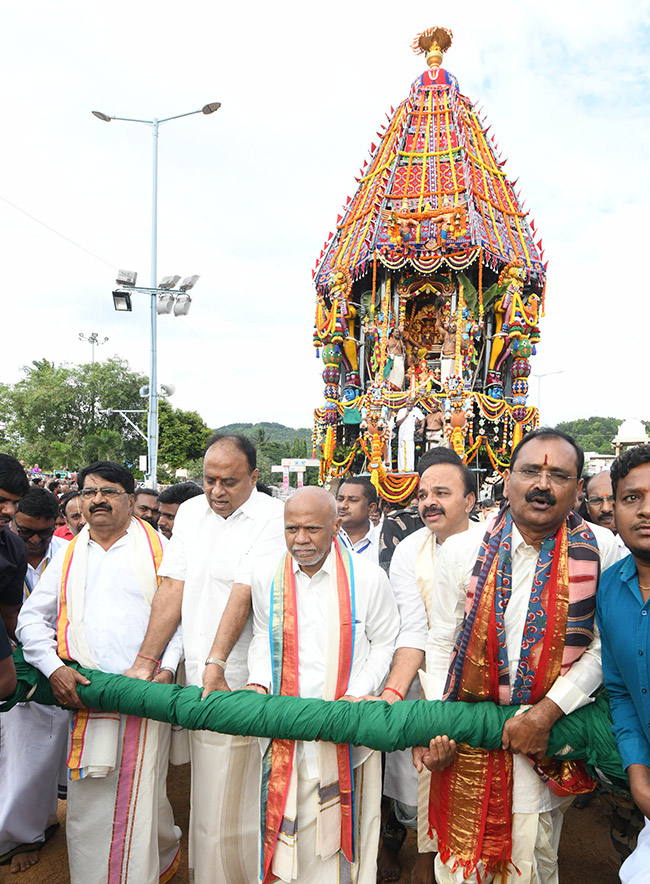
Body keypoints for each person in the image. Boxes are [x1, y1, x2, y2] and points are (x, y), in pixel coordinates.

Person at [417, 428, 619, 884]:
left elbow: (605, 649)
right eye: (530, 470)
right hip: (466, 732)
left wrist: (546, 713)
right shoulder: (462, 550)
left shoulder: (602, 551)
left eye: (559, 475)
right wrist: (438, 721)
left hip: (546, 744)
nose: (542, 485)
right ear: (507, 480)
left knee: (533, 857)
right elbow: (442, 640)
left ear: (578, 488)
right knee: (461, 869)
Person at [125, 433, 285, 884]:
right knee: (209, 797)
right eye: (210, 479)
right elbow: (173, 587)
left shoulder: (273, 518)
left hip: (243, 679)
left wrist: (216, 665)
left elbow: (244, 590)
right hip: (200, 675)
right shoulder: (193, 512)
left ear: (255, 477)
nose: (217, 491)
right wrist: (147, 660)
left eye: (229, 482)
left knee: (238, 800)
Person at [16, 461, 182, 884]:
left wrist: (165, 668)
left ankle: (145, 867)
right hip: (87, 695)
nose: (98, 500)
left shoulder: (163, 551)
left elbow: (184, 619)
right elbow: (30, 622)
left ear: (130, 499)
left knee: (140, 797)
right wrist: (54, 668)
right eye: (89, 493)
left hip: (144, 695)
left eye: (108, 491)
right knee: (92, 802)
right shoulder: (71, 552)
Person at [247, 486, 399, 883]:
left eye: (312, 529)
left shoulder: (367, 578)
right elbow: (263, 637)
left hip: (347, 732)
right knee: (286, 832)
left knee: (345, 848)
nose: (300, 540)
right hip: (286, 731)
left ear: (335, 525)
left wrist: (357, 694)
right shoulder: (268, 577)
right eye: (291, 528)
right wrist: (259, 683)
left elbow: (385, 642)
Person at [378, 449, 479, 884]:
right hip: (423, 679)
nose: (428, 502)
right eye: (423, 495)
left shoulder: (492, 543)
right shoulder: (409, 550)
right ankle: (424, 856)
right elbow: (414, 630)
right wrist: (394, 696)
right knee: (417, 774)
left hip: (481, 684)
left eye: (442, 492)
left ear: (470, 501)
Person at [0, 488, 70, 873]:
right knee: (14, 757)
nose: (34, 542)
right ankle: (17, 833)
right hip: (10, 668)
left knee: (39, 756)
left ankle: (33, 831)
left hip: (51, 668)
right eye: (25, 532)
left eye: (44, 534)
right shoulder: (6, 550)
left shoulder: (66, 556)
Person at [598, 444, 650, 883]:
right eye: (632, 498)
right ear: (613, 509)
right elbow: (621, 690)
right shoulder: (610, 588)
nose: (646, 511)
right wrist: (637, 773)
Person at [0, 454, 30, 641]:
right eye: (1, 500)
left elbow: (10, 614)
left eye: (15, 502)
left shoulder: (15, 548)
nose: (9, 511)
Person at [336, 477, 380, 563]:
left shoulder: (383, 541)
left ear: (371, 508)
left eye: (353, 500)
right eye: (340, 499)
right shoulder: (326, 537)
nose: (342, 505)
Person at [395, 398, 425, 472]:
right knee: (401, 452)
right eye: (408, 404)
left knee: (410, 452)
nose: (409, 405)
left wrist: (422, 428)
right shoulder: (402, 411)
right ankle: (401, 469)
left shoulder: (416, 410)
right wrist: (405, 416)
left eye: (411, 404)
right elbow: (397, 423)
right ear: (406, 404)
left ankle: (409, 469)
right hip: (402, 435)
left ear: (413, 404)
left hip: (410, 435)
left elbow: (423, 419)